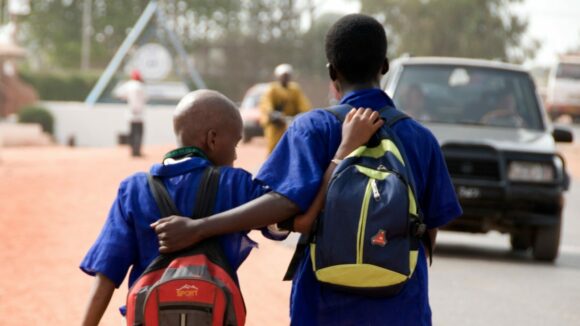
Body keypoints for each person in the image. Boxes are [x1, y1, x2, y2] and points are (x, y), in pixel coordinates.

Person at [153, 14, 462, 325]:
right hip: (401, 307)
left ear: (332, 71)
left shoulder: (313, 128)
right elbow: (429, 231)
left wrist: (199, 227)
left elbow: (281, 207)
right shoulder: (420, 139)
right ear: (384, 66)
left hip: (322, 305)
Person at [79, 89, 379, 326]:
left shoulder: (133, 189)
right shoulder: (236, 184)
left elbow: (106, 277)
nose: (236, 155)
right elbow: (297, 218)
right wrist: (343, 152)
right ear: (212, 139)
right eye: (235, 143)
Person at [260, 63, 311, 153]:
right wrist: (273, 115)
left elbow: (303, 104)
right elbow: (266, 105)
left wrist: (304, 115)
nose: (285, 78)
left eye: (287, 76)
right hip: (276, 126)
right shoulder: (272, 89)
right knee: (275, 150)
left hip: (291, 123)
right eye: (283, 76)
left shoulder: (295, 89)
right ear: (278, 76)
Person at [114, 69, 147, 157]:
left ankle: (132, 150)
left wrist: (126, 98)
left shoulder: (128, 85)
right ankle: (137, 151)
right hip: (140, 113)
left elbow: (118, 94)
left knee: (132, 132)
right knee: (139, 132)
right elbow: (146, 98)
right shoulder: (141, 86)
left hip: (131, 112)